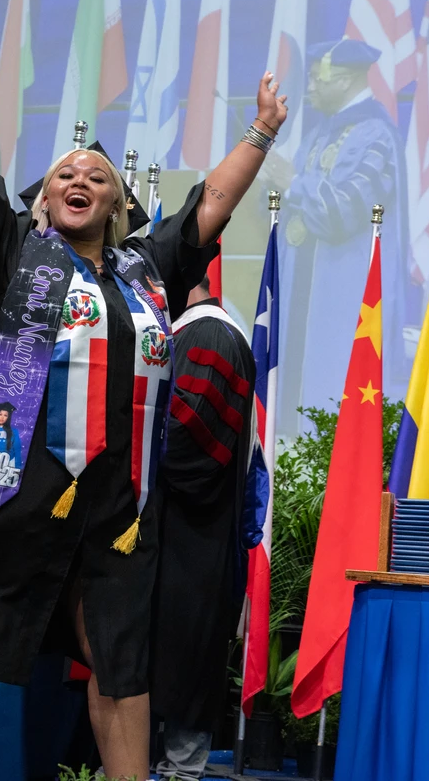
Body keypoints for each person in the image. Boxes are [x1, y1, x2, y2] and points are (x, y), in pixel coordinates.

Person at [0, 10, 288, 780]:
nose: (80, 180)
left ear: (119, 204)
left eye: (97, 176)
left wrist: (260, 131)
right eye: (65, 174)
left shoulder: (145, 272)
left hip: (116, 511)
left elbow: (211, 205)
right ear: (43, 200)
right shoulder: (11, 253)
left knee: (120, 665)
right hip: (9, 490)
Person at [261, 38, 407, 437]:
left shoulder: (377, 137)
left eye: (316, 80)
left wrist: (292, 182)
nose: (308, 89)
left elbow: (344, 213)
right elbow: (293, 208)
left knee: (329, 418)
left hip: (344, 305)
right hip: (303, 299)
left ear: (343, 80)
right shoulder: (319, 135)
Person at [151, 274, 255, 781]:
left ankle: (178, 771)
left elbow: (188, 442)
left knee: (183, 658)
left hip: (192, 541)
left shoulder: (209, 335)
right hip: (178, 540)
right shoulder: (192, 333)